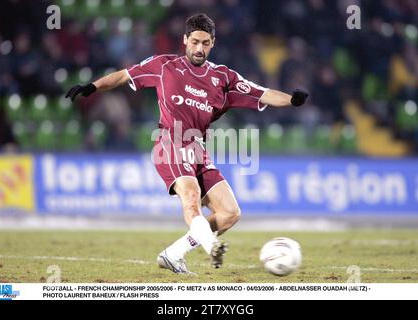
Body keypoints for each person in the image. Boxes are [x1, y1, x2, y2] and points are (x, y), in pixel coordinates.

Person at [66, 13, 308, 275]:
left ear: (212, 43)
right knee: (190, 198)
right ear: (185, 40)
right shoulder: (164, 66)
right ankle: (211, 244)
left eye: (205, 43)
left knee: (229, 213)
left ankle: (173, 254)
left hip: (199, 152)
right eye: (194, 42)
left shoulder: (223, 77)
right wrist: (92, 86)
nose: (199, 48)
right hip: (169, 142)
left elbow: (261, 92)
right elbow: (124, 75)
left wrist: (291, 100)